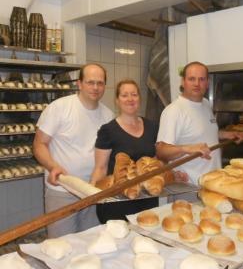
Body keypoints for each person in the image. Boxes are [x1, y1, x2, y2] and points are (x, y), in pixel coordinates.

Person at [33, 63, 114, 238]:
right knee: (61, 245)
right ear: (79, 83)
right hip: (63, 190)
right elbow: (39, 144)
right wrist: (53, 166)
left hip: (93, 191)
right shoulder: (60, 108)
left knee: (90, 245)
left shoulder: (108, 116)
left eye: (100, 83)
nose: (95, 87)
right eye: (90, 82)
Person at [156, 61, 243, 185]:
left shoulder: (206, 104)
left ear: (207, 83)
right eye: (192, 79)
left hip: (212, 183)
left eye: (201, 79)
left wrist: (226, 135)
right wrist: (187, 148)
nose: (197, 84)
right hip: (189, 186)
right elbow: (161, 151)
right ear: (183, 81)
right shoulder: (174, 111)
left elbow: (201, 131)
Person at [91, 79, 159, 223]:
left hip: (147, 198)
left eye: (134, 94)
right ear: (117, 100)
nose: (130, 99)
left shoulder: (153, 127)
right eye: (124, 95)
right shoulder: (108, 130)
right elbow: (100, 167)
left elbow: (156, 162)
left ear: (139, 98)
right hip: (117, 201)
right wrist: (92, 192)